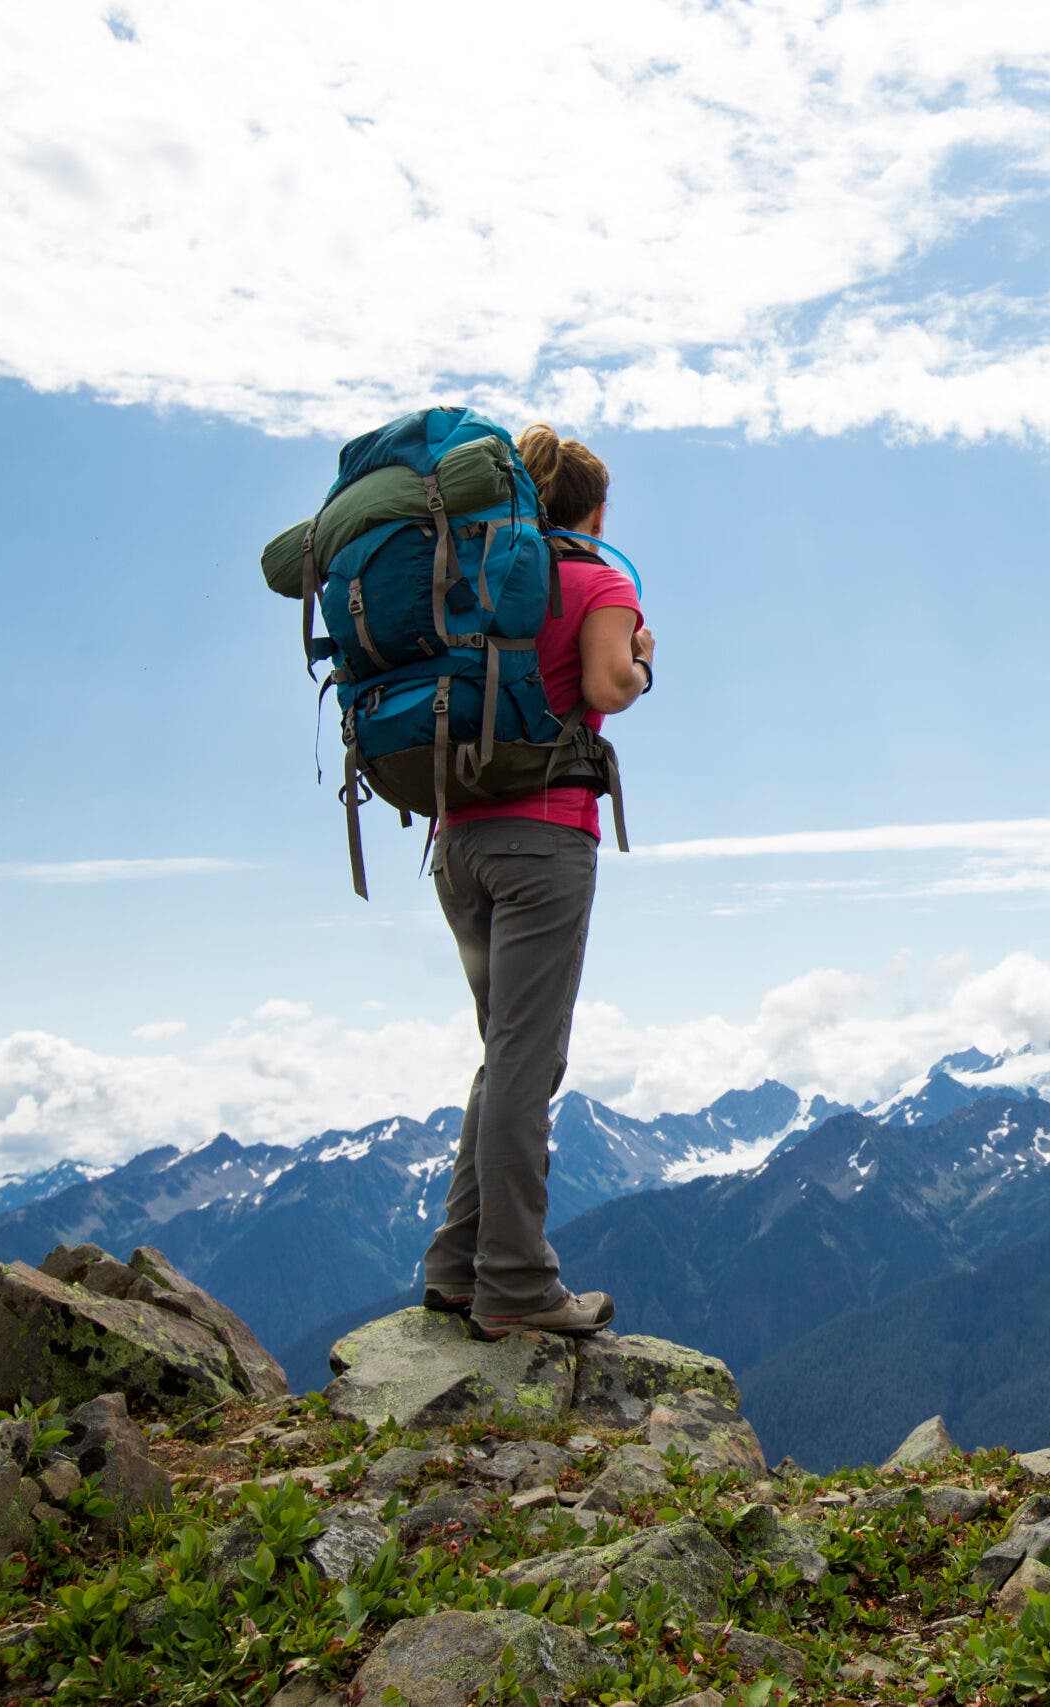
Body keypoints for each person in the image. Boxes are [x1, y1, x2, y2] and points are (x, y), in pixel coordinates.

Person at [418, 424, 653, 1340]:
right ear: (594, 511)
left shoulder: (474, 582)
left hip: (457, 842)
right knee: (529, 1060)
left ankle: (453, 1265)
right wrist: (639, 656)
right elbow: (607, 685)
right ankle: (514, 1281)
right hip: (543, 841)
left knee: (506, 1052)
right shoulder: (599, 578)